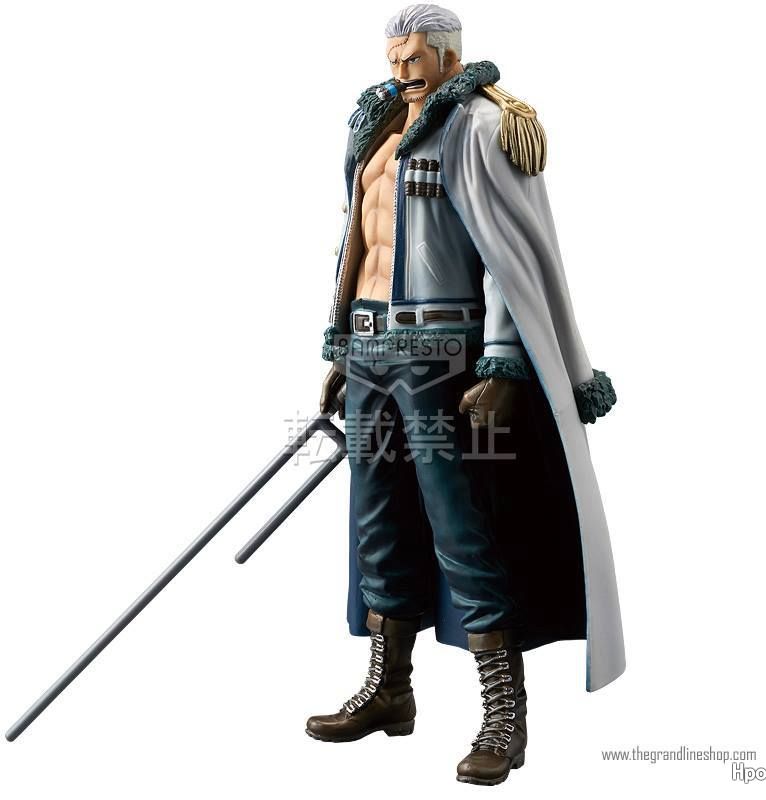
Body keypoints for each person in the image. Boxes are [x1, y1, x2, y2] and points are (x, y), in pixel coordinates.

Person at [308, 3, 624, 786]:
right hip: (372, 348)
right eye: (393, 57)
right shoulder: (376, 127)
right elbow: (357, 242)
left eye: (414, 58)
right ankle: (390, 689)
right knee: (378, 526)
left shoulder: (483, 126)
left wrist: (503, 364)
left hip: (443, 357)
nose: (400, 71)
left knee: (466, 531)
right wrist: (344, 348)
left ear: (449, 56)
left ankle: (503, 717)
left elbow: (509, 254)